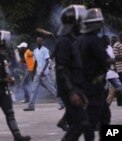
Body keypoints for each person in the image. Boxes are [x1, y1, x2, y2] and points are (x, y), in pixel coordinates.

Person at [0, 30, 31, 141]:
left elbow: (5, 73)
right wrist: (2, 80)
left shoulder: (2, 57)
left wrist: (9, 79)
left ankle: (17, 136)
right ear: (0, 43)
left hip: (3, 91)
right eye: (4, 42)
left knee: (10, 113)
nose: (6, 43)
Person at [74, 8, 114, 141]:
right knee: (92, 121)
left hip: (85, 86)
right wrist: (116, 59)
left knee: (104, 116)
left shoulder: (79, 40)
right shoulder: (93, 40)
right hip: (93, 87)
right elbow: (106, 60)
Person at [54, 5, 89, 140]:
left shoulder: (71, 40)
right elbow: (61, 69)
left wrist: (80, 91)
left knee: (79, 123)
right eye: (79, 21)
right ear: (73, 22)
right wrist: (72, 92)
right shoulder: (63, 41)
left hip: (75, 87)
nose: (81, 24)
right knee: (81, 122)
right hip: (69, 89)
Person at [23, 37, 64, 111]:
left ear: (42, 42)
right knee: (33, 89)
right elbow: (35, 62)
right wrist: (33, 72)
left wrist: (43, 71)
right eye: (38, 41)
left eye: (40, 41)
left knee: (51, 89)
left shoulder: (45, 50)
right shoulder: (35, 51)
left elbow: (47, 61)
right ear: (36, 42)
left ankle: (61, 103)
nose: (39, 42)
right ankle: (31, 106)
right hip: (38, 73)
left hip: (44, 73)